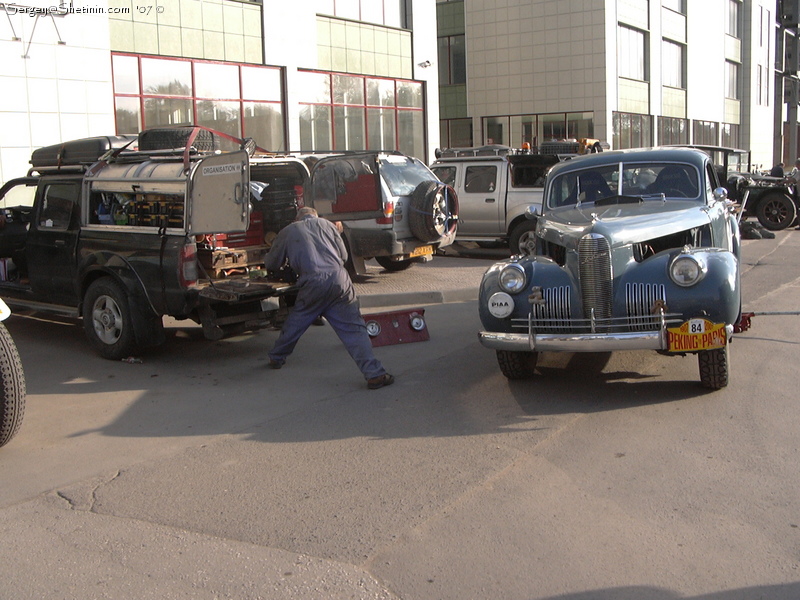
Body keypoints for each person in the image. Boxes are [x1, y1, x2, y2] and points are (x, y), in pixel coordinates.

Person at [264, 206, 394, 389]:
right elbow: (343, 256)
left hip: (312, 284)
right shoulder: (329, 225)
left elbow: (272, 263)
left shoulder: (290, 230)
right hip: (339, 282)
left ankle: (276, 357)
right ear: (316, 216)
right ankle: (375, 374)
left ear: (298, 218)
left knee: (296, 322)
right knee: (354, 330)